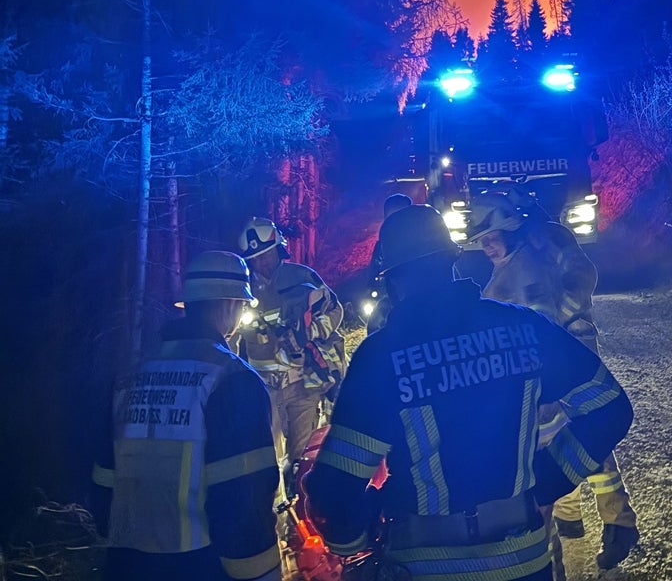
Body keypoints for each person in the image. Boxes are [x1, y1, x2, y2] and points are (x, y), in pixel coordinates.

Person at [304, 203, 633, 581]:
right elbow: (610, 406)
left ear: (391, 281)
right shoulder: (524, 327)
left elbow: (334, 489)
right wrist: (547, 481)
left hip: (423, 565)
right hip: (523, 563)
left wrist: (358, 539)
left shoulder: (380, 358)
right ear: (452, 260)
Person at [468, 189, 641, 572]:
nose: (486, 247)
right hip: (555, 365)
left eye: (490, 237)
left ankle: (612, 523)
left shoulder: (540, 249)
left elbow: (578, 280)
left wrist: (564, 324)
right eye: (481, 241)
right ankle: (583, 520)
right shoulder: (509, 269)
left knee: (568, 434)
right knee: (571, 434)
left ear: (511, 225)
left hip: (567, 359)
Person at [92, 251, 281, 581]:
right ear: (230, 304)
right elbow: (244, 497)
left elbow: (103, 480)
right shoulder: (231, 378)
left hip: (125, 564)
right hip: (199, 565)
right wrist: (260, 574)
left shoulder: (128, 375)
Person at [237, 216, 345, 494]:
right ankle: (276, 523)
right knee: (267, 461)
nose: (261, 263)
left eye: (265, 255)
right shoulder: (243, 289)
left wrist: (309, 333)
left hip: (302, 385)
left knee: (302, 460)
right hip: (264, 392)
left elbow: (334, 310)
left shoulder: (301, 278)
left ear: (278, 248)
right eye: (255, 259)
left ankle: (302, 523)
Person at [364, 191, 413, 333]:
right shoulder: (382, 244)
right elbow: (375, 268)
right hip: (390, 296)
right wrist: (372, 288)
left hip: (414, 297)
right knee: (376, 326)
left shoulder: (421, 241)